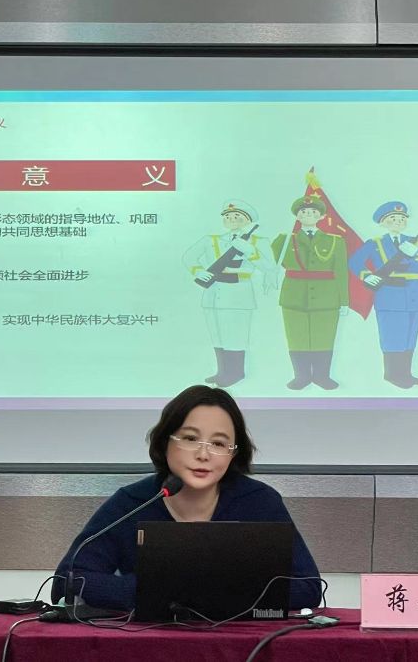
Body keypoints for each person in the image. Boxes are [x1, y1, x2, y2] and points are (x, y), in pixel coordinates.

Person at [51, 385, 322, 612]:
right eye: (190, 438)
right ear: (165, 442)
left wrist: (204, 592)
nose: (203, 455)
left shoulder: (259, 502)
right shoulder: (132, 502)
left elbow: (308, 586)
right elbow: (66, 582)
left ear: (233, 454)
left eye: (218, 444)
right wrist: (157, 592)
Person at [182, 200, 277, 388]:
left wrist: (251, 252)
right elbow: (189, 257)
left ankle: (236, 373)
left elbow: (270, 268)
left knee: (236, 336)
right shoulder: (211, 240)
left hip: (238, 294)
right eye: (227, 216)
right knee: (217, 335)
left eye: (237, 216)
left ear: (248, 220)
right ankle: (222, 372)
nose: (231, 219)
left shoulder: (258, 242)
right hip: (213, 293)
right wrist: (197, 271)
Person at [348, 201, 418, 388]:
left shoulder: (417, 243)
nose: (398, 221)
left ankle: (406, 374)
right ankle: (392, 375)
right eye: (393, 218)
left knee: (410, 337)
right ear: (382, 222)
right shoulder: (375, 244)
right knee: (392, 336)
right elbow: (354, 262)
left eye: (402, 218)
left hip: (414, 294)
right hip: (389, 294)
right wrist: (367, 276)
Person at [271, 195, 348, 390]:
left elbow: (341, 272)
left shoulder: (335, 241)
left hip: (327, 296)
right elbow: (276, 262)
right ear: (297, 216)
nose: (308, 215)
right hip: (294, 296)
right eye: (303, 212)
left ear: (321, 216)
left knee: (324, 336)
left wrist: (344, 301)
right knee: (296, 336)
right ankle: (301, 376)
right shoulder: (284, 240)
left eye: (313, 212)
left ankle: (322, 377)